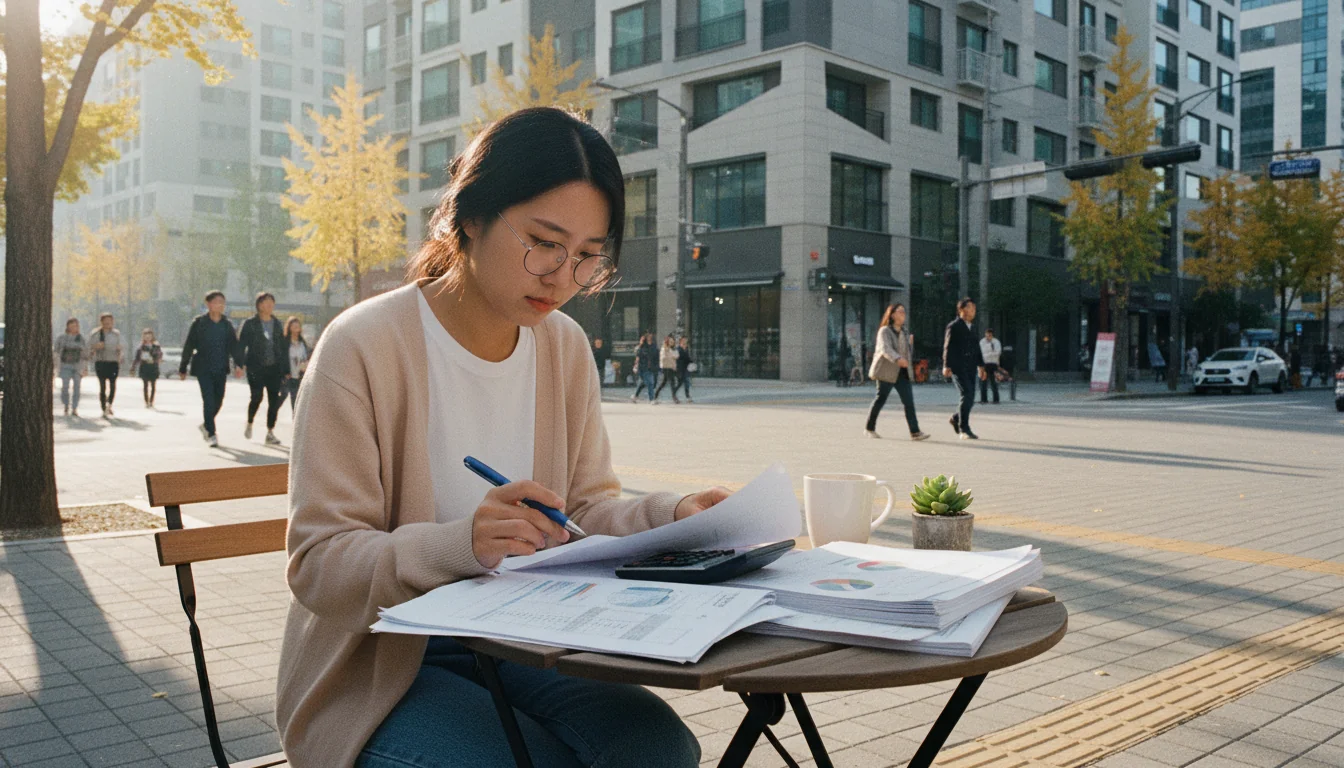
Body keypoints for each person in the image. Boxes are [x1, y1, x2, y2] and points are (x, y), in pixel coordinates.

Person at [277, 107, 718, 768]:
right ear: (470, 216)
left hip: (527, 637)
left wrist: (676, 517)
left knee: (657, 748)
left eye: (587, 257)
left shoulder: (564, 348)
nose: (562, 277)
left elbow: (585, 512)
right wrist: (461, 545)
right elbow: (320, 563)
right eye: (542, 242)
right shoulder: (363, 346)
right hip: (381, 661)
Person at [179, 291, 237, 448]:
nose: (220, 305)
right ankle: (211, 433)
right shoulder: (199, 323)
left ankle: (206, 424)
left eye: (222, 302)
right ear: (208, 304)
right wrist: (183, 366)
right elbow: (189, 345)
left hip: (220, 367)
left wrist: (239, 364)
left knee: (219, 400)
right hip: (203, 368)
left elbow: (234, 347)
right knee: (209, 400)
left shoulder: (227, 325)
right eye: (217, 301)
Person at [865, 303, 929, 441]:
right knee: (880, 399)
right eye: (900, 312)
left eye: (904, 312)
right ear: (892, 314)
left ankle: (915, 432)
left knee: (909, 402)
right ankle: (869, 428)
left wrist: (910, 345)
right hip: (887, 371)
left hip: (902, 372)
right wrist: (897, 358)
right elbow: (885, 349)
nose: (903, 315)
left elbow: (907, 354)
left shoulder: (905, 332)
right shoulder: (885, 331)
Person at [236, 292, 289, 446]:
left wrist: (285, 369)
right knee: (257, 397)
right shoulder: (250, 323)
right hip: (255, 367)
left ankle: (270, 432)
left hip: (274, 368)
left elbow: (283, 348)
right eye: (266, 302)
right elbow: (241, 345)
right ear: (259, 305)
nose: (269, 305)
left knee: (273, 401)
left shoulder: (277, 324)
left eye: (271, 303)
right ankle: (250, 422)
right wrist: (239, 365)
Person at [942, 298, 986, 440]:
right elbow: (947, 347)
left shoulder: (973, 327)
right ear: (961, 310)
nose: (973, 310)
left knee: (971, 397)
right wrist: (946, 365)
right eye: (970, 307)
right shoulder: (954, 326)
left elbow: (976, 347)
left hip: (971, 366)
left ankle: (956, 418)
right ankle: (964, 428)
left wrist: (981, 366)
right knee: (966, 393)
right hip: (958, 366)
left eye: (974, 308)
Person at [88, 312, 123, 418]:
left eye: (110, 321)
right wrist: (96, 346)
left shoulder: (116, 334)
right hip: (101, 362)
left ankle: (109, 404)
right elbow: (89, 347)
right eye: (105, 321)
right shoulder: (96, 333)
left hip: (113, 362)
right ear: (101, 322)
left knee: (113, 385)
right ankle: (103, 407)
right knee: (102, 386)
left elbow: (122, 347)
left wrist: (120, 352)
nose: (108, 323)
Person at [53, 318, 86, 418]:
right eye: (71, 325)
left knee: (77, 387)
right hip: (65, 365)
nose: (74, 327)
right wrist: (55, 365)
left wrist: (85, 368)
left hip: (77, 365)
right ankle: (66, 404)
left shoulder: (80, 338)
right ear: (67, 326)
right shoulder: (62, 338)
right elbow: (56, 351)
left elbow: (85, 353)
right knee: (65, 387)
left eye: (76, 325)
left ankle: (74, 408)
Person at [284, 317, 310, 417]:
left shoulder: (302, 343)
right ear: (289, 327)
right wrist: (285, 372)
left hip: (301, 376)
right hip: (290, 376)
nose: (296, 328)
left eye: (298, 326)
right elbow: (282, 358)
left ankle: (297, 423)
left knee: (300, 403)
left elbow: (307, 356)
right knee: (293, 401)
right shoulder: (285, 342)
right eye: (293, 326)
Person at [131, 329, 163, 408]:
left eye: (149, 336)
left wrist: (156, 359)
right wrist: (133, 368)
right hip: (144, 367)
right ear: (143, 337)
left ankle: (151, 401)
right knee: (145, 385)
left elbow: (160, 355)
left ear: (152, 336)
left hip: (153, 367)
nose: (148, 337)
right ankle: (146, 401)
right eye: (146, 336)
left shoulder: (156, 346)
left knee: (153, 385)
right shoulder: (141, 347)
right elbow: (137, 358)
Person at [630, 331, 657, 402]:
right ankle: (652, 399)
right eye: (648, 336)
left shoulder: (654, 346)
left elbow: (655, 356)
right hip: (643, 368)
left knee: (643, 383)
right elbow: (638, 357)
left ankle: (635, 396)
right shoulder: (642, 347)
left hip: (651, 367)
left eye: (651, 336)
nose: (650, 337)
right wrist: (636, 365)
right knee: (650, 383)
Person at [652, 334, 680, 404]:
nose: (672, 343)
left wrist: (671, 355)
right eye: (670, 342)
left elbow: (677, 356)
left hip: (672, 367)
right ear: (667, 342)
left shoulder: (672, 349)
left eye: (673, 342)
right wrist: (671, 355)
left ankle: (655, 396)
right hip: (666, 368)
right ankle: (674, 398)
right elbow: (664, 358)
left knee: (664, 383)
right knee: (671, 382)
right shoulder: (664, 349)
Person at [979, 328, 1002, 404]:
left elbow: (998, 352)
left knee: (993, 382)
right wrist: (991, 353)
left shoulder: (996, 342)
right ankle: (983, 399)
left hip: (993, 363)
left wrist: (988, 354)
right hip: (984, 364)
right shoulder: (982, 342)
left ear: (992, 335)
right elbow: (981, 353)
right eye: (987, 334)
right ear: (985, 334)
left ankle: (996, 399)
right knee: (983, 382)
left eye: (990, 335)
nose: (988, 336)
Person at [674, 336, 694, 403]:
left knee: (687, 382)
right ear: (681, 341)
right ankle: (674, 393)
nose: (685, 341)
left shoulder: (686, 349)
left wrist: (691, 362)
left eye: (686, 340)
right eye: (684, 340)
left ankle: (687, 396)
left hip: (686, 369)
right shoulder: (678, 349)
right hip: (680, 369)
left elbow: (688, 358)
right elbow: (677, 359)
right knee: (680, 383)